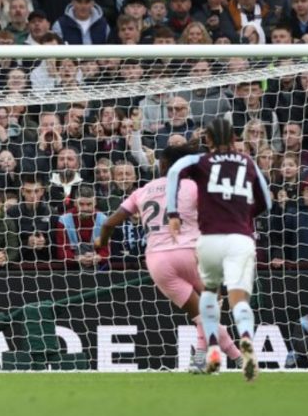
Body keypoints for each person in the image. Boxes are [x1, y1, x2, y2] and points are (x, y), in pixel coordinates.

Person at [98, 145, 242, 373]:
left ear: (162, 165)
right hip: (193, 254)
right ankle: (239, 358)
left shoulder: (143, 190)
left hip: (158, 262)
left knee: (200, 316)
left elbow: (108, 223)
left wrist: (101, 243)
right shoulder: (194, 186)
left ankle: (202, 360)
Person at [166, 118, 271, 381]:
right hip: (241, 238)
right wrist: (246, 215)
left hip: (210, 238)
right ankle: (246, 343)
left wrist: (173, 213)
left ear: (208, 140)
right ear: (235, 137)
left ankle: (213, 350)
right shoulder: (248, 162)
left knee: (209, 295)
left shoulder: (200, 161)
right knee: (239, 299)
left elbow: (174, 170)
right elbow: (266, 200)